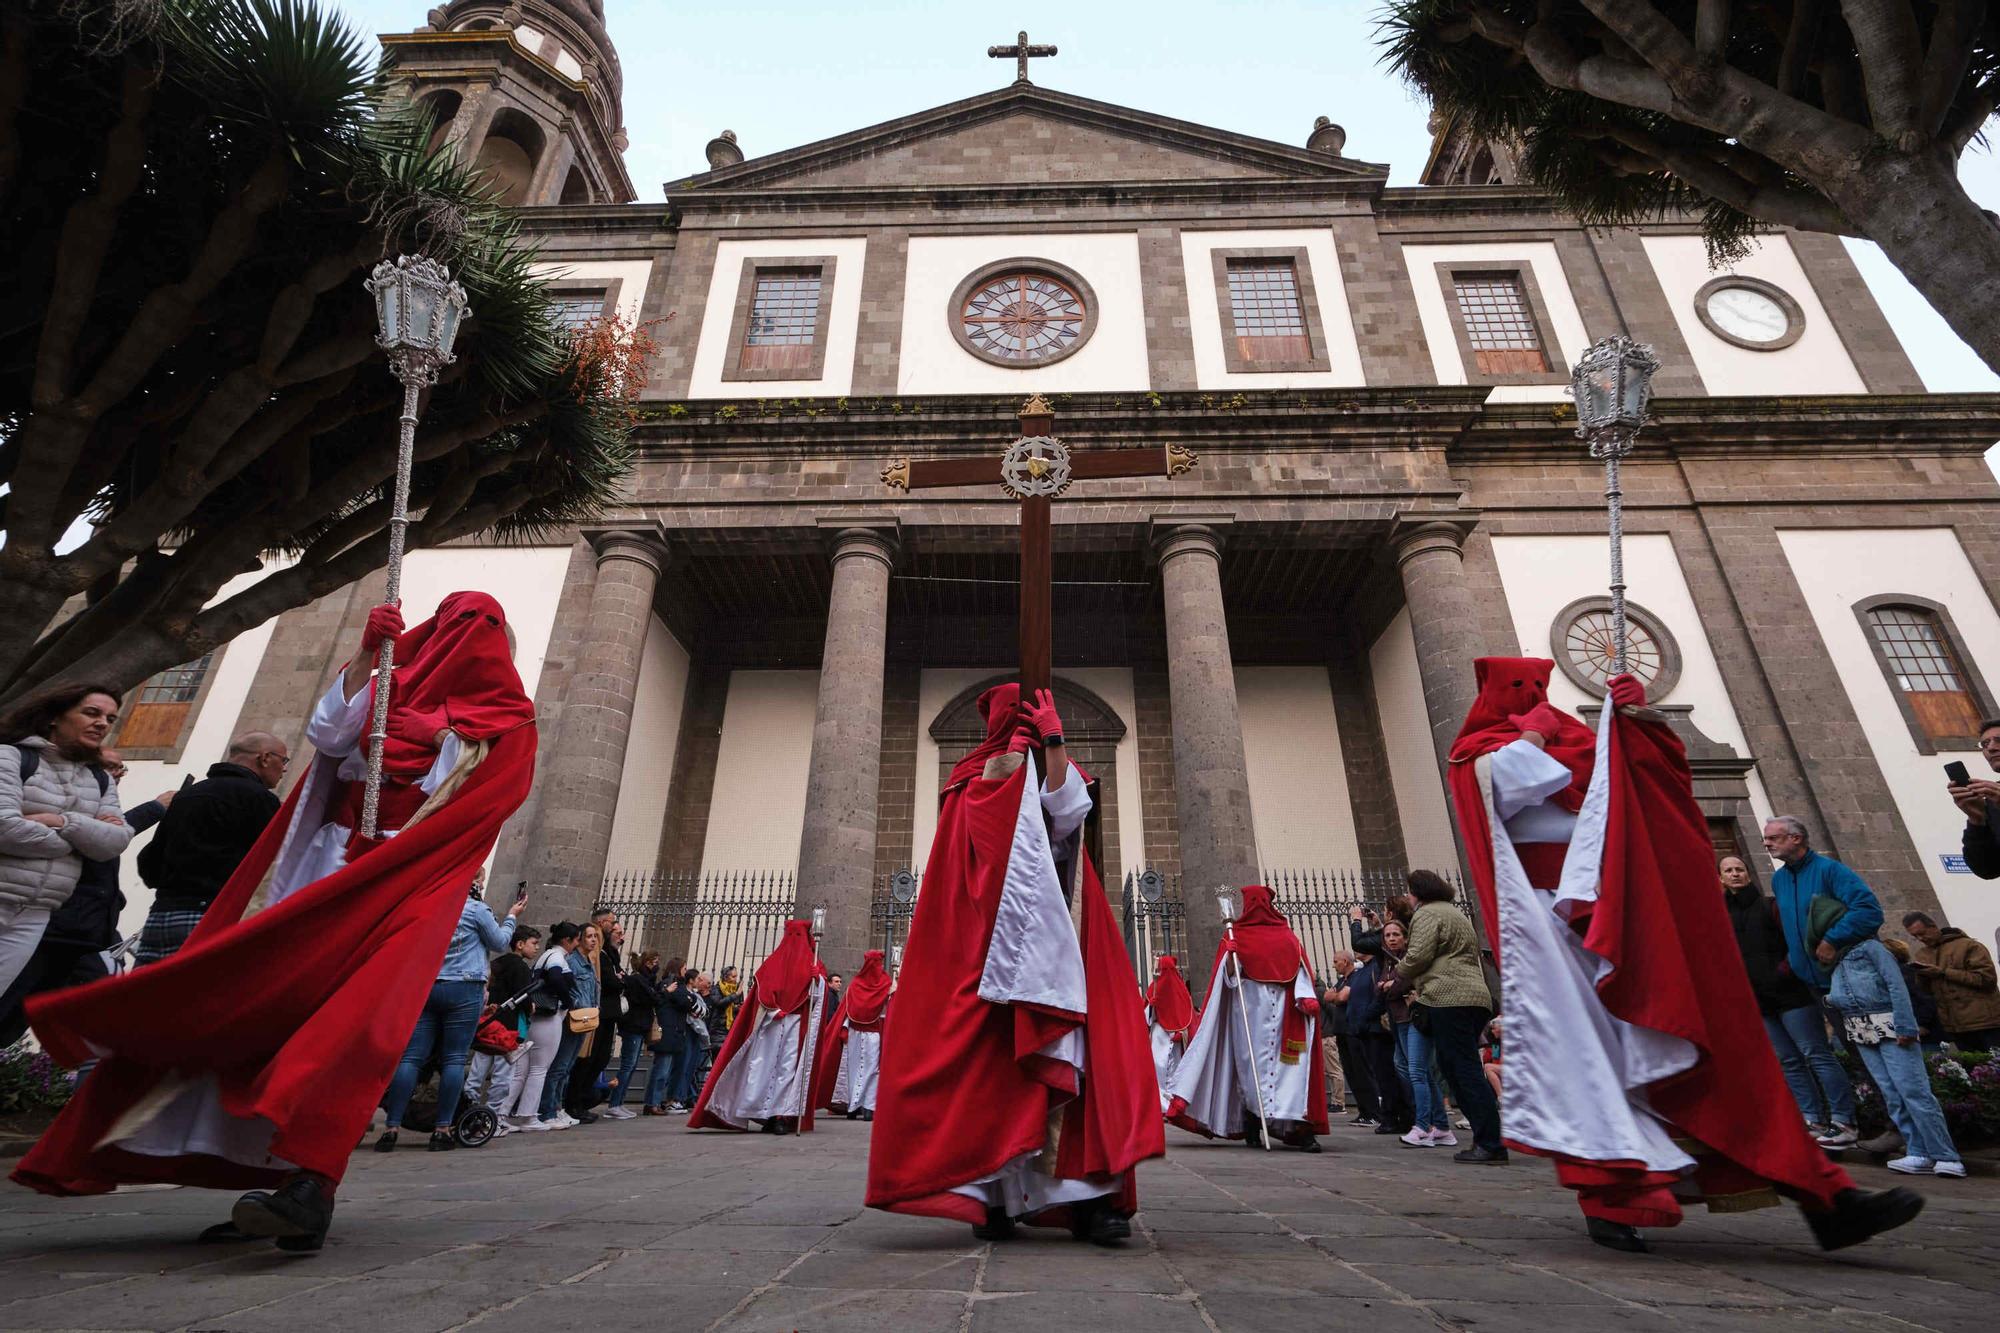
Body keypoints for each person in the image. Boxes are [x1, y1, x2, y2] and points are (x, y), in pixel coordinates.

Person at [15, 593, 536, 1254]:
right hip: (324, 871)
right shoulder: (389, 687)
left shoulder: (508, 722)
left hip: (402, 883)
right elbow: (327, 737)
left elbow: (480, 801)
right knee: (254, 1010)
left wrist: (442, 745)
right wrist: (362, 657)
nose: (469, 640)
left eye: (483, 629)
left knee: (350, 1029)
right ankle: (266, 1174)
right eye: (458, 625)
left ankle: (310, 1182)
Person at [1445, 656, 1922, 1255]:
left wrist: (1637, 722)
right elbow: (1511, 786)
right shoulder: (1479, 751)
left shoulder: (1584, 742)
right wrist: (1535, 731)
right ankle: (1614, 1197)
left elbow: (1646, 789)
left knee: (1712, 1049)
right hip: (1552, 937)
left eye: (1541, 687)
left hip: (1619, 915)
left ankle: (1827, 1197)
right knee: (1599, 1068)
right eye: (1519, 688)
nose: (1534, 695)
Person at [867, 685, 1161, 1245]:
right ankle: (997, 1198)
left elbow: (1069, 811)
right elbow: (979, 849)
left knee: (1077, 1059)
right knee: (996, 1073)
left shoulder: (1052, 759)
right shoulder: (969, 779)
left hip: (1061, 937)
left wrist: (1053, 742)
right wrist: (1006, 773)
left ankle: (1088, 1202)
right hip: (993, 951)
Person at [0, 749, 165, 1047]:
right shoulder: (62, 794)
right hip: (54, 925)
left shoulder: (105, 810)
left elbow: (109, 839)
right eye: (108, 768)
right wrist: (154, 808)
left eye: (120, 769)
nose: (115, 775)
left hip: (88, 930)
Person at [1165, 884, 1328, 1153]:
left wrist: (1305, 997)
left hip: (1286, 1014)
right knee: (1250, 1071)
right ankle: (1253, 1120)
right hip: (1250, 1015)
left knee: (1292, 1071)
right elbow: (1229, 978)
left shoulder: (1287, 937)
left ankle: (1300, 1127)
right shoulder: (1236, 934)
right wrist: (1230, 954)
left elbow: (1301, 972)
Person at [376, 873, 526, 1151]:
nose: (481, 885)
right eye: (480, 881)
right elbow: (499, 942)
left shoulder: (432, 905)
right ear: (474, 884)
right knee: (454, 1059)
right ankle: (442, 1129)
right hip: (465, 986)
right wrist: (512, 916)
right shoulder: (476, 909)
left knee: (411, 1058)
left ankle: (392, 1128)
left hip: (429, 985)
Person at [0, 683, 132, 997]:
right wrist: (81, 841)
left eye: (110, 719)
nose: (102, 723)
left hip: (37, 912)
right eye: (92, 713)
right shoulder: (11, 757)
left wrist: (61, 821)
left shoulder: (98, 779)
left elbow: (115, 842)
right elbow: (5, 828)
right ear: (55, 717)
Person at [1764, 815, 1885, 1149]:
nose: (1767, 843)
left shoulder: (1832, 871)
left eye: (1774, 838)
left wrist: (1833, 939)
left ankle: (1893, 1128)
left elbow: (1869, 910)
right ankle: (1858, 1123)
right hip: (1813, 983)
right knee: (1845, 1051)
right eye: (1766, 838)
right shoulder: (1779, 880)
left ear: (1796, 839)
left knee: (1869, 1052)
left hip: (1846, 979)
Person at [1720, 854, 1857, 1137]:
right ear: (1720, 878)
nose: (1735, 874)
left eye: (1739, 869)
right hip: (1758, 1000)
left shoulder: (1771, 906)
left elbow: (1795, 942)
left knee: (1816, 1054)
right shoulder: (1721, 914)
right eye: (1728, 871)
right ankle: (1812, 1118)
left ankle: (1843, 1119)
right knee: (1788, 1060)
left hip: (1791, 995)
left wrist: (1783, 972)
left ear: (1748, 874)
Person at [130, 731, 286, 965]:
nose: (284, 769)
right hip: (212, 916)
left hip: (161, 917)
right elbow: (273, 864)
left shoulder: (186, 796)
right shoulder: (260, 800)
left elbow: (150, 863)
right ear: (264, 758)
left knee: (147, 998)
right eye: (283, 760)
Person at [1825, 928, 1966, 1178]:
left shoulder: (1872, 948)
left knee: (1913, 1090)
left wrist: (1905, 1024)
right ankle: (1918, 1150)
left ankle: (1945, 1154)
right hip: (1861, 1029)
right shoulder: (1836, 960)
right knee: (1891, 1092)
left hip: (1888, 1023)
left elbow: (1896, 984)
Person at [1394, 870, 1500, 1158]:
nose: (1407, 896)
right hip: (1474, 996)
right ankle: (1486, 1137)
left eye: (1409, 891)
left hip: (1448, 998)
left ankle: (1489, 1142)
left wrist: (1398, 974)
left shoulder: (1428, 914)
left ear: (1419, 892)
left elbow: (1418, 955)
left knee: (1462, 1069)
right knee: (1457, 1067)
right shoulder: (1455, 914)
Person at [690, 922, 826, 1135]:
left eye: (798, 935)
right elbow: (762, 992)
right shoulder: (773, 963)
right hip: (772, 1024)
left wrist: (817, 979)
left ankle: (780, 1114)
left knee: (787, 1071)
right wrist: (774, 1011)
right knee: (763, 1068)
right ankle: (761, 1113)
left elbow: (817, 998)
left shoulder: (814, 963)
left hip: (795, 1024)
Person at [1377, 918, 1448, 1148]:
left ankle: (1423, 1126)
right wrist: (1388, 986)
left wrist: (1391, 986)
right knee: (1416, 1071)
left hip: (1413, 1018)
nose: (1391, 939)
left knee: (1418, 1071)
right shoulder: (1388, 961)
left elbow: (1402, 983)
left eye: (1396, 934)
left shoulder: (1409, 958)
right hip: (1398, 1020)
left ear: (1405, 937)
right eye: (1387, 935)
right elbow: (1379, 988)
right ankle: (1442, 1126)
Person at [510, 922, 579, 1131]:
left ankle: (507, 1111)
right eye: (576, 940)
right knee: (540, 1068)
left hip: (538, 1015)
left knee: (525, 1069)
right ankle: (529, 1116)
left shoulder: (546, 956)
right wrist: (567, 1000)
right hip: (549, 1014)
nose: (576, 944)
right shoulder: (557, 957)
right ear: (567, 940)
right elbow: (556, 978)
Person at [471, 925, 540, 1132]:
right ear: (520, 944)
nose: (537, 948)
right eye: (534, 943)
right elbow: (523, 996)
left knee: (478, 1070)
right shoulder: (521, 968)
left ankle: (469, 1107)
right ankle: (494, 1117)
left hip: (488, 1023)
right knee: (503, 1075)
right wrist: (531, 1008)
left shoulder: (497, 963)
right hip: (508, 1027)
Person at [1901, 910, 2000, 1052]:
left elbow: (1986, 979)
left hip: (1985, 1023)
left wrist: (1943, 972)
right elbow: (1927, 993)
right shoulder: (1923, 954)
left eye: (1922, 933)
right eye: (1915, 936)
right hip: (1955, 1026)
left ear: (1933, 926)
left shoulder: (1968, 946)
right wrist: (1922, 976)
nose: (1920, 938)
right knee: (1973, 1070)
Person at [813, 948, 893, 1120]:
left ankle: (856, 1105)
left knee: (857, 1069)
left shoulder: (856, 984)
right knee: (871, 1070)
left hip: (858, 1034)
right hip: (871, 1035)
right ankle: (864, 1106)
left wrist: (844, 1027)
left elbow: (846, 1011)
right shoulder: (886, 983)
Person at [1344, 936, 1408, 1135]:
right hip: (1364, 1029)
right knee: (1379, 1075)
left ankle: (1393, 1116)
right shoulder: (1360, 971)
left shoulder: (1377, 966)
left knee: (1387, 1074)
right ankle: (1389, 1114)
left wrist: (1366, 1016)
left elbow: (1378, 996)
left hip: (1377, 1029)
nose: (1357, 949)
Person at [543, 922, 604, 1126]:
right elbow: (570, 989)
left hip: (585, 1018)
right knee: (560, 1065)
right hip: (574, 1016)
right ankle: (549, 1110)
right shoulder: (572, 961)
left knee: (567, 1066)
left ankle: (557, 1107)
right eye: (588, 936)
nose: (593, 940)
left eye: (595, 936)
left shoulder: (588, 961)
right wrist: (578, 1006)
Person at [564, 911, 622, 1122]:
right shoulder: (587, 958)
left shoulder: (607, 952)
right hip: (591, 1012)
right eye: (613, 923)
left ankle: (579, 1101)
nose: (616, 927)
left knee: (599, 1058)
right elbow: (607, 981)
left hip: (601, 1012)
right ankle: (572, 1103)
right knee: (584, 1059)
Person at [609, 950, 662, 1118]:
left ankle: (619, 1102)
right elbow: (654, 998)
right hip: (633, 1026)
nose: (656, 967)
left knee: (631, 1065)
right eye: (655, 963)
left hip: (638, 1027)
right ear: (647, 963)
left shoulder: (642, 979)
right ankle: (615, 1103)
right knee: (628, 1065)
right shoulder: (637, 980)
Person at [1320, 951, 1372, 1125]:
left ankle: (1372, 1112)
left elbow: (1340, 997)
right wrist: (1334, 996)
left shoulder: (1355, 977)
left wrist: (1335, 996)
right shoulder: (1342, 981)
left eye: (1336, 962)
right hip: (1340, 1030)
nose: (1334, 965)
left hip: (1352, 1030)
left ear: (1346, 961)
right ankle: (1364, 1111)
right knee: (1351, 1072)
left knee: (1360, 1071)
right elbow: (1327, 996)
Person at [1946, 717, 2000, 878]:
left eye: (1998, 740)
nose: (1991, 748)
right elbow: (1987, 869)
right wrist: (1977, 820)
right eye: (1985, 744)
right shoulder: (1992, 799)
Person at [643, 957, 698, 1115]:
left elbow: (687, 1000)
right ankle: (653, 1103)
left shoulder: (673, 985)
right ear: (678, 968)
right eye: (684, 968)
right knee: (662, 1071)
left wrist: (689, 998)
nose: (686, 971)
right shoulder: (672, 984)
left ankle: (653, 1102)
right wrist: (690, 998)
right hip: (668, 1032)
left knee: (663, 1070)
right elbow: (685, 1001)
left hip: (673, 1032)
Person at [1143, 954, 1197, 1112]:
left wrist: (1181, 1031)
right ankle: (1160, 1105)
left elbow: (1186, 1013)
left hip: (1175, 1039)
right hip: (1159, 1034)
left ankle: (1173, 1104)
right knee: (1158, 1068)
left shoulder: (1179, 989)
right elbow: (1146, 1018)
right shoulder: (1154, 987)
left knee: (1175, 1072)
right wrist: (1151, 1007)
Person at [1882, 938, 1943, 1054]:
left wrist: (1922, 1024)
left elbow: (1926, 999)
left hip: (1923, 1032)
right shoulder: (1900, 973)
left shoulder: (1906, 973)